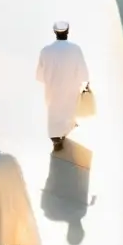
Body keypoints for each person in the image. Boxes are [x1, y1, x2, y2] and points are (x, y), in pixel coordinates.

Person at [36, 21, 90, 151]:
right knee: (68, 110)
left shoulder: (45, 50)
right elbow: (83, 72)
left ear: (55, 33)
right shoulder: (75, 49)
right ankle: (65, 131)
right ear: (67, 32)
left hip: (52, 89)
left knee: (54, 112)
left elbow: (39, 75)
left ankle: (55, 138)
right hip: (71, 88)